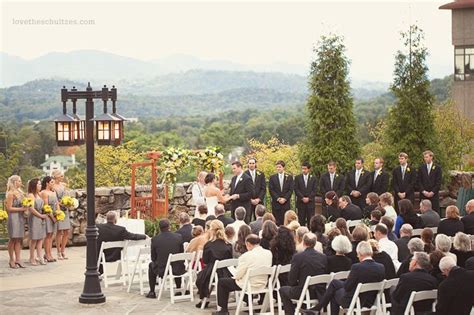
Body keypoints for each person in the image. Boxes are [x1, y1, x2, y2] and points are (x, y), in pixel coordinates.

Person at [303, 241, 385, 315]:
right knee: (334, 283)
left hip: (355, 300)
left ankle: (318, 308)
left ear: (360, 253)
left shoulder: (357, 267)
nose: (357, 256)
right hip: (371, 301)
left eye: (358, 254)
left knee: (334, 291)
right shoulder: (381, 267)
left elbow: (347, 287)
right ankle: (317, 308)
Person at [213, 234, 272, 315]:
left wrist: (235, 272)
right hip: (263, 283)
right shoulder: (268, 253)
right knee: (245, 277)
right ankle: (247, 303)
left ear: (248, 244)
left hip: (248, 285)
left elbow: (238, 275)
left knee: (222, 282)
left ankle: (223, 310)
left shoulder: (246, 256)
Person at [279, 233, 328, 315]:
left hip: (303, 292)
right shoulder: (323, 257)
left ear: (303, 242)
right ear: (315, 243)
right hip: (319, 293)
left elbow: (291, 280)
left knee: (283, 290)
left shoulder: (298, 257)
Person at [195, 220, 233, 307]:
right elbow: (229, 260)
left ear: (211, 230)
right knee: (208, 277)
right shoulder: (228, 245)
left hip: (212, 271)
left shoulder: (209, 245)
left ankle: (205, 298)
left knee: (202, 277)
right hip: (226, 273)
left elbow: (205, 260)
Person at [146, 219, 184, 299]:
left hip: (162, 269)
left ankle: (152, 291)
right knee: (177, 261)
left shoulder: (155, 239)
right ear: (169, 226)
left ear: (159, 228)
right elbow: (181, 254)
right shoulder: (178, 237)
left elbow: (153, 257)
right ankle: (178, 289)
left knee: (151, 265)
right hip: (178, 269)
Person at [5, 175, 28, 269]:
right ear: (14, 182)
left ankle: (18, 259)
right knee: (13, 239)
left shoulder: (20, 193)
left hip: (20, 217)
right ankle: (11, 260)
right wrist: (21, 209)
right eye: (19, 181)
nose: (20, 182)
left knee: (19, 239)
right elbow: (9, 208)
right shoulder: (10, 193)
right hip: (13, 217)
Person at [27, 178, 47, 265]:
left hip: (41, 217)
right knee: (34, 238)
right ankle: (32, 257)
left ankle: (40, 256)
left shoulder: (39, 194)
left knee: (40, 238)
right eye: (38, 184)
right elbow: (31, 208)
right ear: (34, 185)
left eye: (40, 184)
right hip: (34, 218)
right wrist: (40, 215)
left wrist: (45, 212)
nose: (40, 186)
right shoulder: (30, 195)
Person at [51, 170, 71, 260]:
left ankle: (63, 251)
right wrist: (61, 204)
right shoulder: (53, 186)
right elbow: (54, 199)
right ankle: (58, 252)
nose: (62, 177)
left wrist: (69, 202)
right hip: (58, 209)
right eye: (61, 176)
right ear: (56, 176)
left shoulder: (63, 185)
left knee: (66, 231)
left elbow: (66, 196)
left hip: (65, 209)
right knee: (59, 231)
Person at [40, 176, 60, 263]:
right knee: (48, 236)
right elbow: (46, 206)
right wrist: (52, 217)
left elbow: (57, 204)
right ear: (47, 183)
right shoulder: (44, 193)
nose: (53, 184)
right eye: (52, 182)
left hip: (55, 215)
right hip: (48, 216)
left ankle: (50, 254)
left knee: (52, 236)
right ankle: (47, 254)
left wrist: (59, 214)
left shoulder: (54, 192)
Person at [269, 160, 294, 226]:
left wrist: (285, 199)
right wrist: (278, 198)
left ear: (283, 167)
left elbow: (290, 190)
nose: (278, 168)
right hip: (276, 203)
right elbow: (271, 190)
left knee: (286, 221)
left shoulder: (289, 177)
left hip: (286, 203)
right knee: (276, 221)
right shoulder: (272, 178)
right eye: (277, 167)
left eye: (279, 167)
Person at [293, 162, 317, 227]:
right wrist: (302, 198)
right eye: (302, 169)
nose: (303, 170)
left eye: (305, 169)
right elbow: (296, 189)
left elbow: (314, 190)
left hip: (310, 203)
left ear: (309, 169)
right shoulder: (297, 178)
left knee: (311, 220)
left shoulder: (313, 178)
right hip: (301, 202)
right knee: (301, 220)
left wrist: (309, 198)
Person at [244, 158, 266, 222]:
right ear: (248, 164)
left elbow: (263, 188)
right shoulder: (244, 174)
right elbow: (244, 189)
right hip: (248, 201)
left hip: (258, 201)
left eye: (253, 163)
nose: (251, 165)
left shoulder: (261, 174)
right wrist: (250, 199)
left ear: (255, 164)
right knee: (248, 219)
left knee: (260, 220)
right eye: (250, 163)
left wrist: (258, 199)